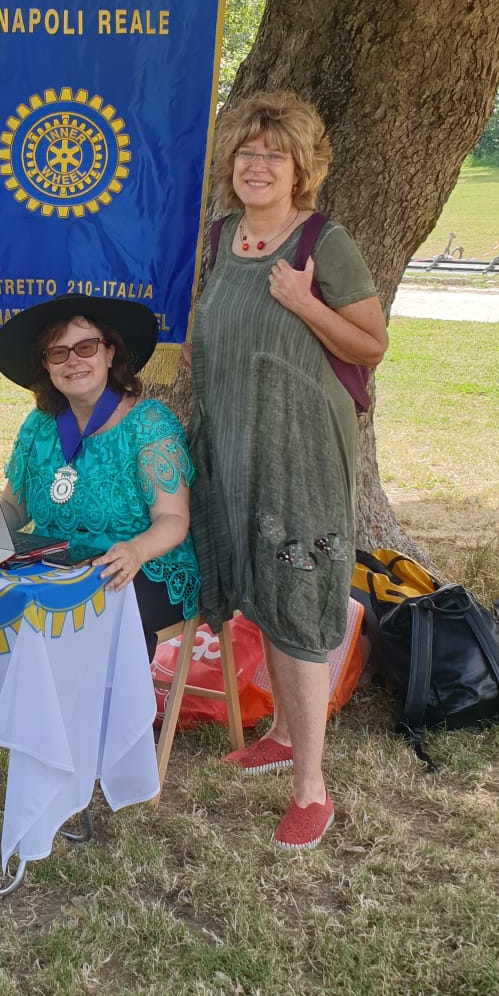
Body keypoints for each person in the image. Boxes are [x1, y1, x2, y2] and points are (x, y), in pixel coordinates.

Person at [188, 91, 387, 849]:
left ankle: (312, 788)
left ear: (301, 168)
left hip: (301, 449)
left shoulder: (321, 244)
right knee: (261, 586)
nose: (258, 164)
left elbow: (370, 346)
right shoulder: (219, 238)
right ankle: (278, 734)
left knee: (300, 597)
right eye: (246, 152)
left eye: (275, 154)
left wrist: (305, 302)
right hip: (235, 442)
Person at [0, 296, 199, 660]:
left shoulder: (148, 425)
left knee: (90, 613)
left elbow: (173, 520)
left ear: (110, 353)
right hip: (60, 566)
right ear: (46, 366)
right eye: (58, 353)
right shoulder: (38, 427)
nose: (73, 361)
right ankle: (4, 715)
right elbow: (14, 508)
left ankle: (103, 716)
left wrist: (135, 551)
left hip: (143, 566)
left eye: (86, 347)